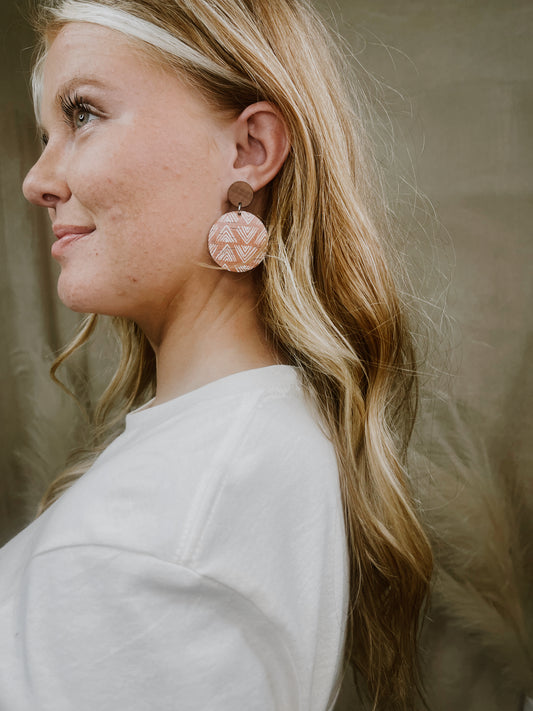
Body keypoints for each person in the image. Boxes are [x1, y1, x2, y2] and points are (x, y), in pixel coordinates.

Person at [0, 1, 433, 709]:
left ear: (249, 151)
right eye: (47, 131)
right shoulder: (250, 440)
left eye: (81, 115)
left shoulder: (168, 522)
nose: (37, 180)